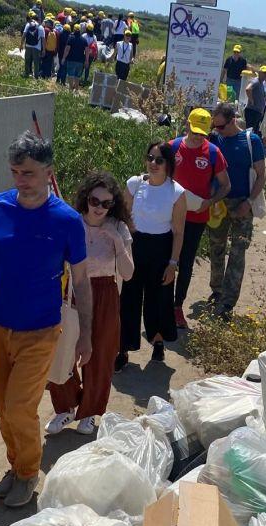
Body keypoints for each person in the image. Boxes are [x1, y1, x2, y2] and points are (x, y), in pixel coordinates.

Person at [0, 134, 92, 508]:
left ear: (48, 173)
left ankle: (28, 472)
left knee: (21, 407)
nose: (21, 180)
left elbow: (83, 281)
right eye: (15, 172)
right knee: (4, 407)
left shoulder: (67, 220)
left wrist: (85, 335)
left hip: (40, 329)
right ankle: (16, 464)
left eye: (29, 173)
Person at [48, 173, 133, 436]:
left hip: (106, 291)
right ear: (86, 197)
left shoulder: (119, 227)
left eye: (106, 203)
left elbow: (128, 273)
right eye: (95, 200)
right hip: (72, 290)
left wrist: (116, 241)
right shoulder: (71, 223)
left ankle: (90, 412)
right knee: (62, 350)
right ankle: (65, 407)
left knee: (101, 355)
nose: (99, 207)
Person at [117, 142, 185, 370]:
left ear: (168, 164)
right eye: (150, 158)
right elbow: (122, 215)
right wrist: (128, 235)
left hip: (161, 249)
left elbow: (178, 232)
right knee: (129, 298)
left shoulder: (176, 193)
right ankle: (123, 348)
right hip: (136, 246)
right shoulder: (135, 184)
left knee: (159, 298)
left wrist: (173, 263)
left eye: (159, 160)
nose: (153, 164)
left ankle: (157, 342)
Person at [168, 108, 230, 328]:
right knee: (166, 260)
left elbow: (226, 185)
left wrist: (209, 202)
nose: (198, 137)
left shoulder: (213, 153)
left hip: (196, 217)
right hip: (170, 216)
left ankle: (177, 307)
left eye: (203, 133)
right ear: (187, 125)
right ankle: (162, 306)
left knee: (185, 263)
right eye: (195, 131)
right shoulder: (172, 147)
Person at [207, 102, 265, 317]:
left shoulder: (252, 141)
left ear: (233, 121)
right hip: (219, 204)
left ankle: (228, 302)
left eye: (221, 126)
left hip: (243, 204)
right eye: (215, 126)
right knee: (216, 248)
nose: (217, 130)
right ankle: (217, 290)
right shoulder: (215, 138)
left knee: (238, 253)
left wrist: (248, 202)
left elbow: (261, 176)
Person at [62, 22, 88, 90]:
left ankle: (70, 88)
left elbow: (67, 49)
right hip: (80, 61)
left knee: (70, 74)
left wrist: (63, 58)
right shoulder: (84, 40)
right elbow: (87, 51)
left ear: (73, 30)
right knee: (77, 76)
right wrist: (86, 61)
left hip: (71, 60)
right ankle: (76, 89)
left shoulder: (71, 38)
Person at [20, 12, 45, 78]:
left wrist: (21, 44)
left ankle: (26, 74)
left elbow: (24, 35)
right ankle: (36, 76)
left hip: (28, 46)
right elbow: (43, 40)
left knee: (27, 61)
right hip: (37, 47)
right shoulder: (41, 27)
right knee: (36, 62)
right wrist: (44, 50)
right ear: (38, 19)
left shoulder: (28, 25)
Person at [243, 66, 266, 132]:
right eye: (264, 73)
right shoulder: (256, 81)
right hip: (252, 111)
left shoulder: (261, 83)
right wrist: (251, 100)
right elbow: (248, 89)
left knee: (254, 131)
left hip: (257, 111)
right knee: (250, 131)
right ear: (260, 73)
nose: (265, 75)